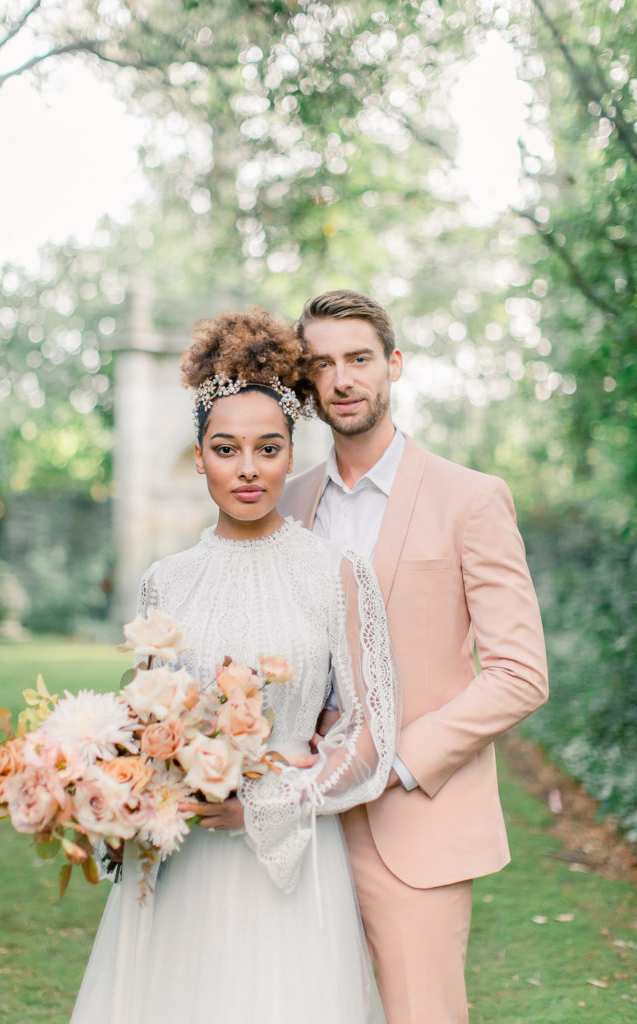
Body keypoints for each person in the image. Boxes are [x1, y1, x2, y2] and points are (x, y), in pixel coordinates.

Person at [70, 308, 399, 1024]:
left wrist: (271, 801)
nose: (248, 469)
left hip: (293, 860)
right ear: (198, 459)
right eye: (226, 449)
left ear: (291, 453)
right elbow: (143, 719)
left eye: (267, 448)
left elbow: (374, 735)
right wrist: (118, 780)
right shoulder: (166, 580)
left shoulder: (337, 572)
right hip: (180, 856)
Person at [279, 289, 549, 1024]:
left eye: (359, 358)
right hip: (298, 823)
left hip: (413, 818)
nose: (342, 379)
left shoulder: (471, 499)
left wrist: (395, 761)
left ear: (392, 365)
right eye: (322, 364)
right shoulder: (288, 503)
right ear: (307, 383)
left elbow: (521, 674)